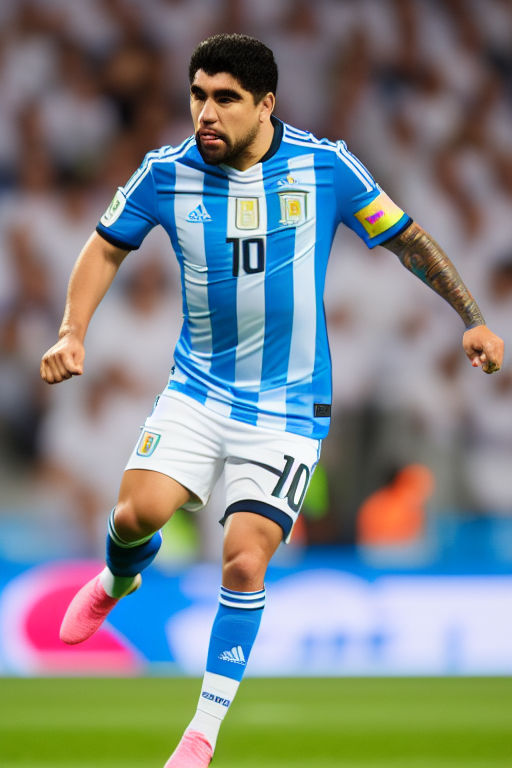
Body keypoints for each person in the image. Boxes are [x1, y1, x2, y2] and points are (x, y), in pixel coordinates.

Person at [40, 33, 504, 768]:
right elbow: (103, 247)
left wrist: (471, 317)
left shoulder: (325, 168)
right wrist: (72, 331)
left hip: (288, 411)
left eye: (224, 99)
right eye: (197, 96)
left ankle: (202, 733)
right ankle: (117, 577)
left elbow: (408, 240)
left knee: (243, 562)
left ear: (265, 104)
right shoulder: (167, 174)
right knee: (134, 517)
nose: (206, 114)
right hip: (196, 391)